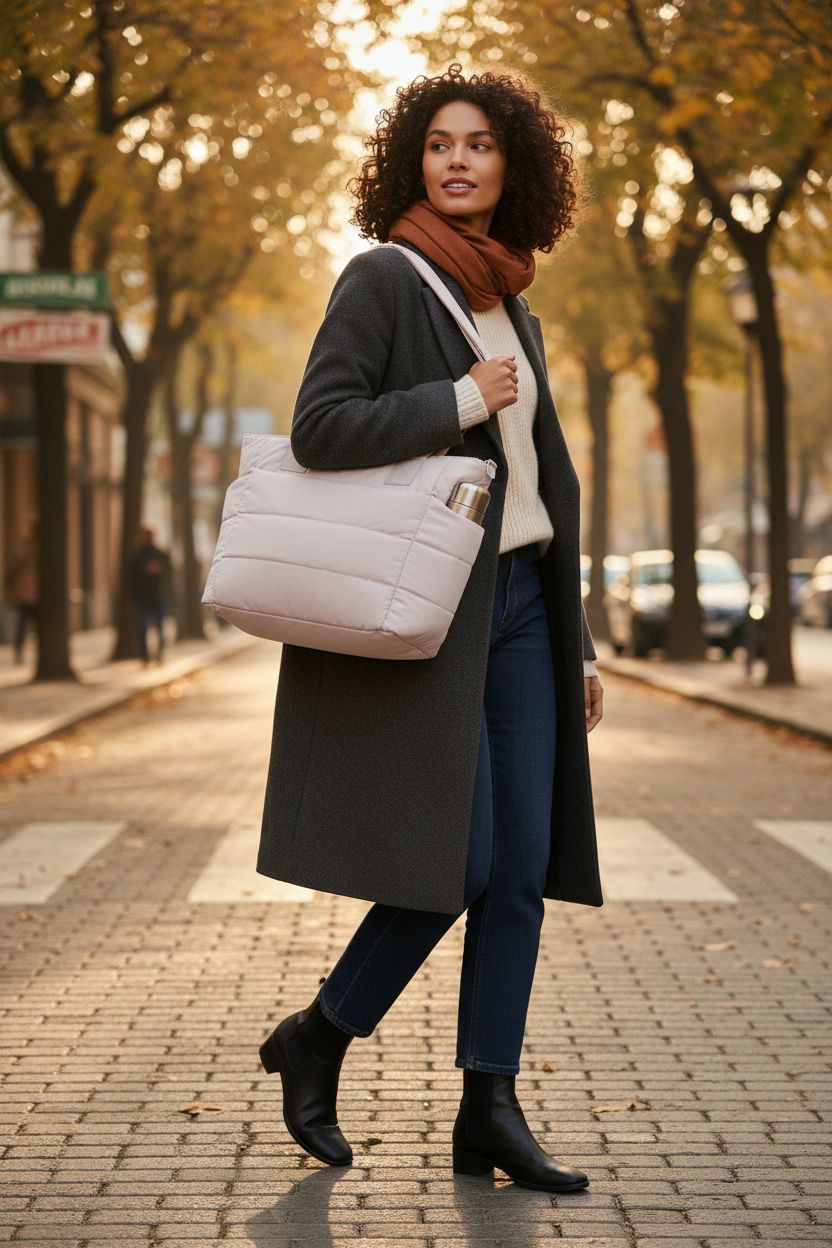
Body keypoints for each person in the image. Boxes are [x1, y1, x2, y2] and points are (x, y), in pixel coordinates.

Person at [255, 64, 605, 1191]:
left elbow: (539, 485)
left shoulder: (517, 304)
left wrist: (578, 638)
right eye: (440, 143)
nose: (458, 160)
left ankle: (487, 1107)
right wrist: (460, 398)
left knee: (518, 871)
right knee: (455, 861)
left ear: (516, 168)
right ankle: (321, 1031)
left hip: (523, 614)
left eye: (481, 145)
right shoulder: (383, 280)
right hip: (433, 612)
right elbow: (320, 427)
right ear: (416, 159)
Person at [129, 524, 173, 665]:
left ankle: (159, 654)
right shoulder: (137, 556)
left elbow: (169, 574)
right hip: (142, 596)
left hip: (159, 596)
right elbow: (130, 576)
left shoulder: (161, 554)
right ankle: (145, 656)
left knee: (160, 627)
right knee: (142, 627)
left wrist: (159, 571)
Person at [3, 517, 39, 665]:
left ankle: (22, 651)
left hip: (30, 594)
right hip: (29, 594)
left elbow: (15, 566)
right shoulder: (28, 545)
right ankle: (20, 651)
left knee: (25, 624)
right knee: (25, 624)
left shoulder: (28, 546)